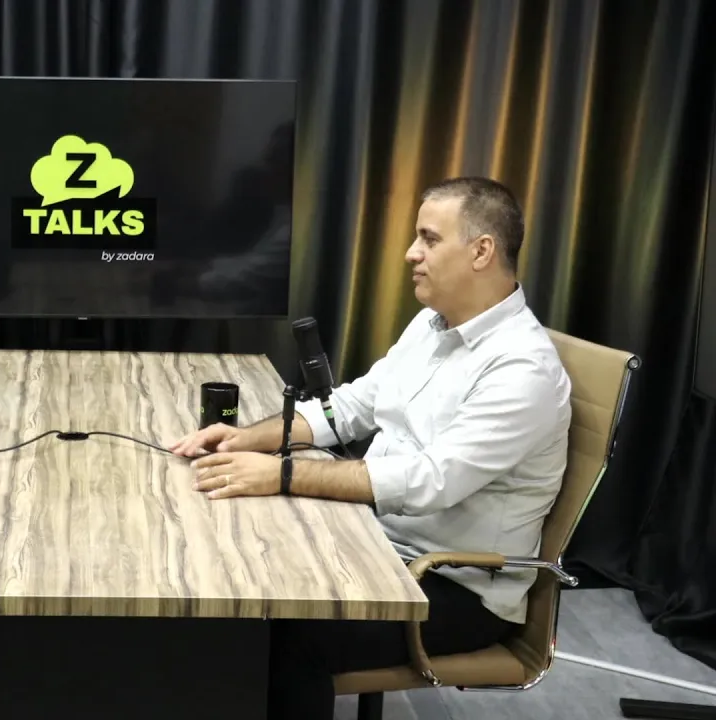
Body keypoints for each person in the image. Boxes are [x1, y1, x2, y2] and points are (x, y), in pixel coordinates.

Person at [169, 177, 572, 719]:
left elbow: (430, 482)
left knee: (288, 633)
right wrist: (252, 438)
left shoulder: (523, 369)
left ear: (482, 251)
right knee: (233, 570)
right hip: (379, 542)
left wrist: (281, 474)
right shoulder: (432, 325)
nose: (411, 253)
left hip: (451, 586)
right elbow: (352, 407)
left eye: (429, 239)